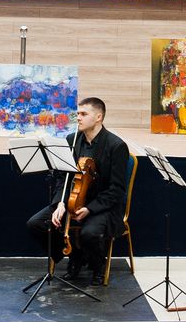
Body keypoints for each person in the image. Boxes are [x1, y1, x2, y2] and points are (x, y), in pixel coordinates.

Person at [26, 97, 129, 286]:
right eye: (78, 114)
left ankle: (98, 266)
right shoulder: (72, 140)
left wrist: (90, 209)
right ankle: (74, 255)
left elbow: (117, 190)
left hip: (102, 206)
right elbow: (62, 177)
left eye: (83, 114)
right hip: (72, 199)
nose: (78, 118)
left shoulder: (116, 146)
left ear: (98, 117)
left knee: (89, 233)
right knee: (36, 224)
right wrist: (60, 203)